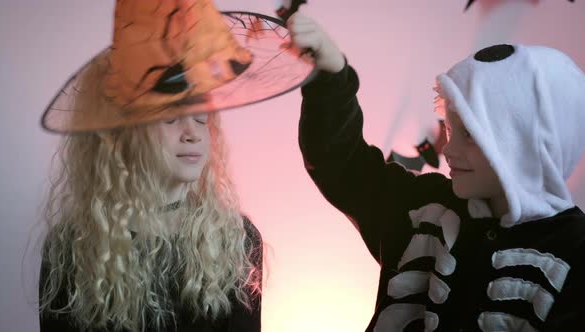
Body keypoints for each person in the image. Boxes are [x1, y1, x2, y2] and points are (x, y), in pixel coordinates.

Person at [289, 12, 585, 331]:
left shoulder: (576, 250)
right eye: (448, 127)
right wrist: (331, 77)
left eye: (470, 134)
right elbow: (342, 164)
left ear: (527, 143)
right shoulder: (423, 203)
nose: (448, 149)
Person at [38, 1, 315, 331]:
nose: (193, 134)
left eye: (201, 117)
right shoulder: (72, 247)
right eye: (169, 117)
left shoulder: (234, 240)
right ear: (121, 134)